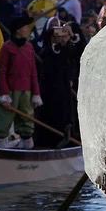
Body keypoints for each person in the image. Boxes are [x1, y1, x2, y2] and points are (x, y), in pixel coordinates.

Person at [34, 18, 85, 148]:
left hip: (64, 91)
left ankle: (67, 138)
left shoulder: (66, 48)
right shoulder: (44, 50)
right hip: (48, 91)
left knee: (65, 116)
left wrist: (71, 38)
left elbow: (79, 52)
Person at [0, 15, 42, 149]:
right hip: (11, 90)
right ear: (18, 30)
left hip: (26, 91)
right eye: (26, 27)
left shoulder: (29, 47)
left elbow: (33, 72)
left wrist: (36, 93)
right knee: (4, 118)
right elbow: (2, 72)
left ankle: (26, 144)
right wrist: (4, 93)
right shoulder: (7, 47)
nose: (28, 30)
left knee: (26, 119)